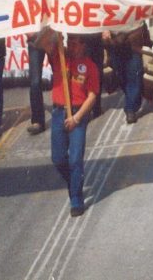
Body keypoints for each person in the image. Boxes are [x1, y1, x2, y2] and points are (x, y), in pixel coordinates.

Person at [35, 30, 99, 218]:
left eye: (75, 42)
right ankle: (74, 181)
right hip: (58, 112)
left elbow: (93, 96)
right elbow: (41, 43)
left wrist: (77, 118)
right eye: (69, 41)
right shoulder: (60, 57)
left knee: (75, 159)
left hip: (78, 114)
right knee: (58, 158)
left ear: (84, 45)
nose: (71, 45)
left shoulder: (90, 67)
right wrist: (53, 30)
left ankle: (76, 199)